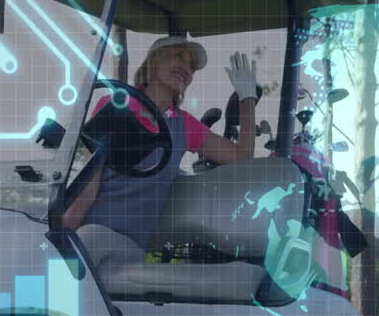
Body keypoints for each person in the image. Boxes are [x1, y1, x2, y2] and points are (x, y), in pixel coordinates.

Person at [62, 34, 259, 249]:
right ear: (153, 62)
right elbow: (88, 186)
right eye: (178, 56)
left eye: (191, 67)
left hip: (128, 245)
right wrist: (60, 236)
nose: (186, 69)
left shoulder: (184, 125)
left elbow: (242, 155)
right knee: (78, 244)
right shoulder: (115, 105)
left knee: (90, 241)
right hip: (88, 232)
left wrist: (247, 97)